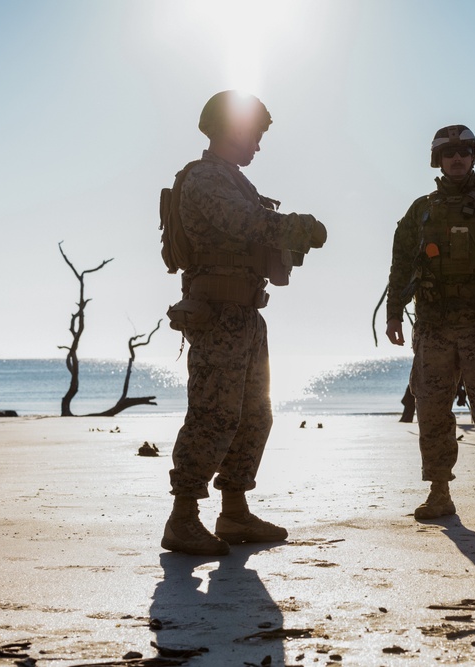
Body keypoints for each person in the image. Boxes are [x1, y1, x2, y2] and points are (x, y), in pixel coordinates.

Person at [161, 90, 327, 556]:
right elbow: (244, 224)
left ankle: (234, 511)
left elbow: (252, 227)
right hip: (217, 315)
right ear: (231, 128)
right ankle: (183, 518)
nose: (257, 144)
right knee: (213, 413)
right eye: (254, 133)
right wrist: (299, 225)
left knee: (255, 414)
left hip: (245, 314)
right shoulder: (205, 178)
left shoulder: (232, 178)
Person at [385, 125, 475, 523]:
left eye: (464, 151)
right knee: (432, 411)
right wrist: (394, 313)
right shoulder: (421, 210)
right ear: (438, 159)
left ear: (474, 156)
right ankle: (439, 493)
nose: (457, 158)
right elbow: (401, 265)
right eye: (449, 152)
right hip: (433, 328)